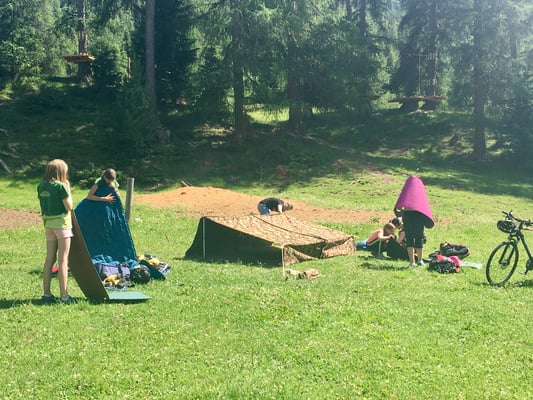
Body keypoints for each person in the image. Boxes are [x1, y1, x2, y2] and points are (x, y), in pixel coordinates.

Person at [37, 159, 76, 304]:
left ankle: (46, 294)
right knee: (63, 260)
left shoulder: (41, 186)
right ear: (61, 172)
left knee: (49, 259)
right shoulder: (61, 186)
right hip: (62, 225)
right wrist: (68, 189)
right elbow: (69, 206)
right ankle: (64, 296)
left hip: (48, 225)